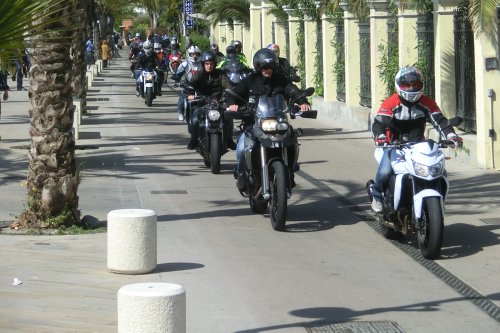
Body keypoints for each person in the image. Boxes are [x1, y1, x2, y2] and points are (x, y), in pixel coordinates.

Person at [368, 66, 462, 213]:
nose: (412, 88)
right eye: (407, 85)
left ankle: (433, 202)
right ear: (399, 85)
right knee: (385, 171)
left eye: (415, 85)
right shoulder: (391, 103)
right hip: (393, 146)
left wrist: (451, 136)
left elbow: (440, 121)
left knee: (440, 172)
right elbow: (378, 123)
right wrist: (380, 138)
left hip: (418, 145)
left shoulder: (426, 102)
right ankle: (377, 195)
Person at [227, 48, 311, 190]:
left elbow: (293, 90)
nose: (268, 70)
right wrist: (232, 104)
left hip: (278, 123)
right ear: (258, 67)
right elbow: (235, 94)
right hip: (253, 124)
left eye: (271, 67)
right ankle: (242, 174)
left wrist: (303, 102)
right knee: (241, 148)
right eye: (265, 67)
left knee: (292, 142)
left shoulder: (280, 81)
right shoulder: (250, 81)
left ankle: (290, 171)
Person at [186, 51, 235, 150]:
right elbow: (191, 84)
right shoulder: (199, 74)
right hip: (202, 102)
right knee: (195, 119)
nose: (209, 66)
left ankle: (229, 140)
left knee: (228, 118)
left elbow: (228, 86)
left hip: (219, 101)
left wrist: (231, 92)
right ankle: (194, 140)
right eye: (207, 64)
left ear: (215, 64)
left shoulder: (221, 74)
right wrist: (190, 94)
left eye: (211, 64)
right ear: (203, 64)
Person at [172, 45, 202, 121]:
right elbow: (178, 74)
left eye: (196, 54)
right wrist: (177, 80)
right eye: (192, 54)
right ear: (189, 54)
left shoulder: (202, 64)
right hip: (188, 85)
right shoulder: (185, 64)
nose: (195, 56)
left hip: (200, 85)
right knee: (182, 97)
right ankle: (181, 112)